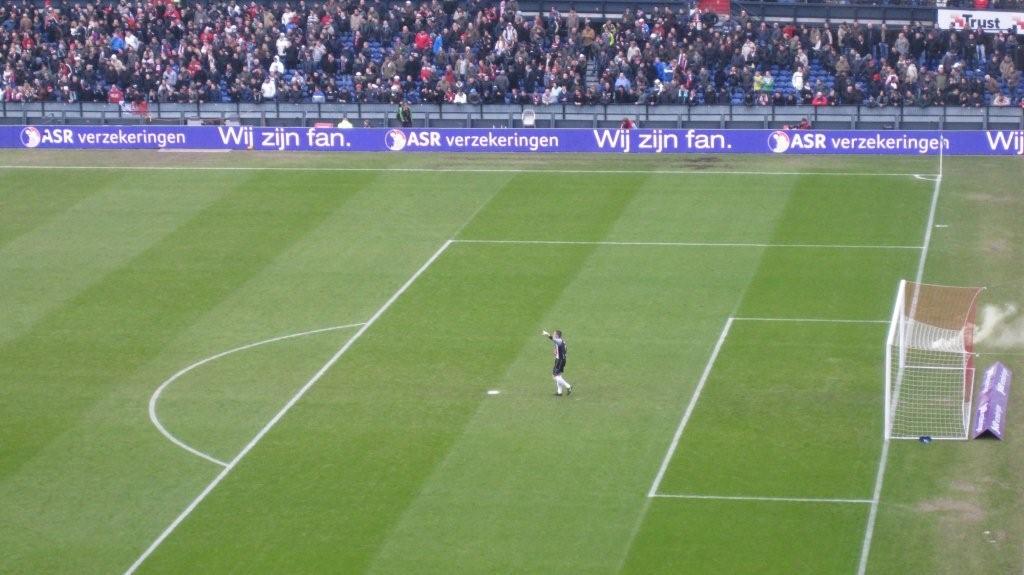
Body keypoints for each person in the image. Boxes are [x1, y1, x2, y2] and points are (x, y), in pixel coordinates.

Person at [541, 329, 572, 396]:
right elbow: (563, 349)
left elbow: (553, 339)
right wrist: (556, 352)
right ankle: (559, 392)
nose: (553, 335)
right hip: (561, 359)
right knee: (558, 375)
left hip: (560, 360)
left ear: (557, 335)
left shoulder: (559, 340)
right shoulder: (561, 341)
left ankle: (568, 386)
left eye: (554, 334)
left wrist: (547, 334)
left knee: (554, 376)